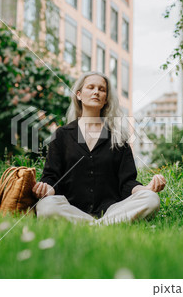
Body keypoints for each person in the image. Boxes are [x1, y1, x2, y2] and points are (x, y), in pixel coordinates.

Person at [32, 71, 166, 225]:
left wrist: (148, 188)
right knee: (46, 206)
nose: (96, 92)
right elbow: (51, 177)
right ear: (79, 95)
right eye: (91, 87)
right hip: (70, 208)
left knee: (151, 199)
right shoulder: (62, 135)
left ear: (105, 100)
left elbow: (127, 183)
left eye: (102, 89)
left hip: (112, 210)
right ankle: (103, 225)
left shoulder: (118, 138)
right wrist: (46, 188)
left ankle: (91, 225)